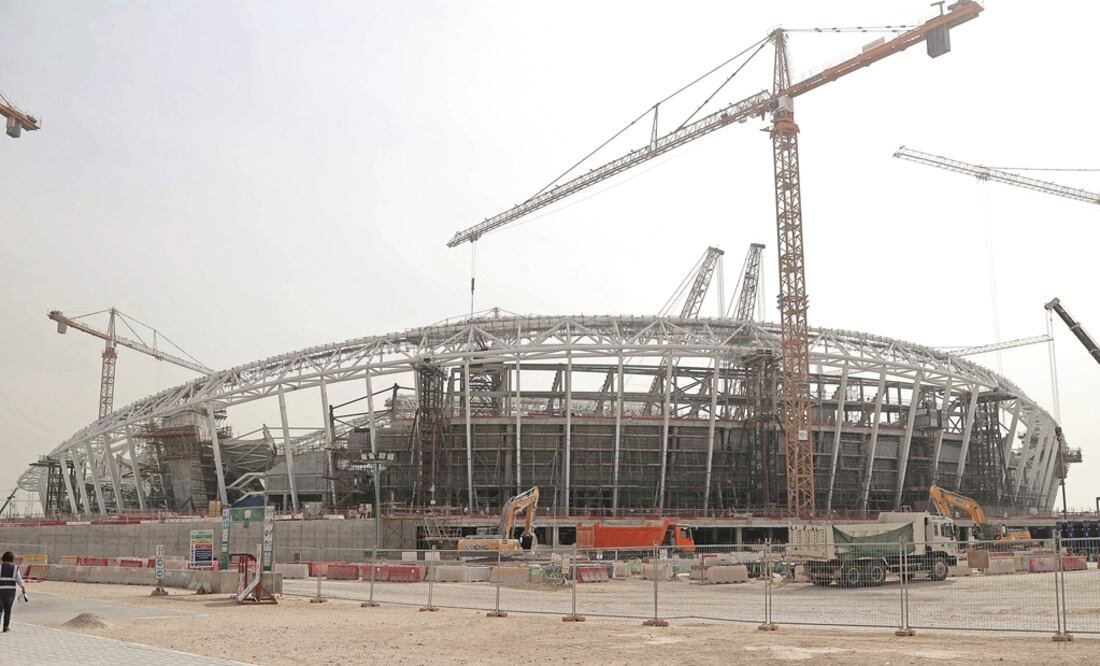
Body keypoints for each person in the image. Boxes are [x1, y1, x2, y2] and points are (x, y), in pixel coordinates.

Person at [0, 551, 27, 633]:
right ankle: (6, 627)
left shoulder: (0, 568)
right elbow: (19, 580)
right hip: (10, 593)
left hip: (0, 592)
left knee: (0, 609)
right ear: (12, 559)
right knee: (8, 610)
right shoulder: (15, 568)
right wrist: (23, 589)